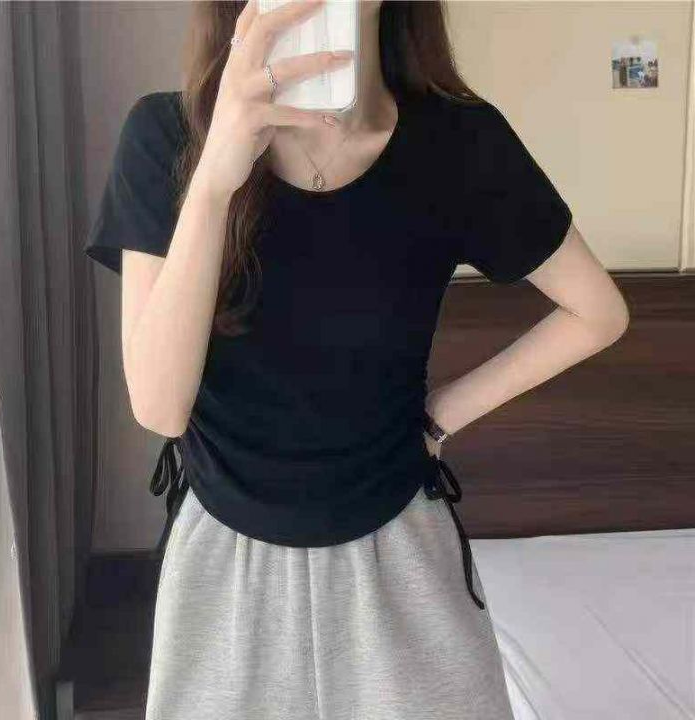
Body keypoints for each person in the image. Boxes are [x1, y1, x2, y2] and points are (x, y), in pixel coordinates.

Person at [85, 1, 629, 718]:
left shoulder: (459, 142)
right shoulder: (166, 135)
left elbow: (598, 313)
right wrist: (214, 178)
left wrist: (439, 416)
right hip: (224, 567)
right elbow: (159, 407)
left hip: (400, 555)